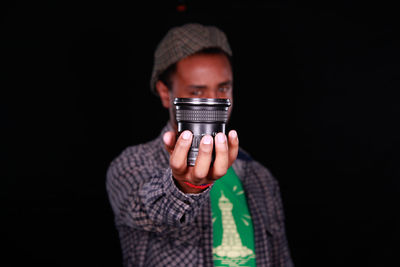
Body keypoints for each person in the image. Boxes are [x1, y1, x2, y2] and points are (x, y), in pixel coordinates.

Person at [106, 23, 293, 267]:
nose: (213, 103)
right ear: (165, 93)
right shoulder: (132, 164)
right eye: (197, 92)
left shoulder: (260, 176)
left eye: (223, 88)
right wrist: (185, 185)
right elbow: (149, 209)